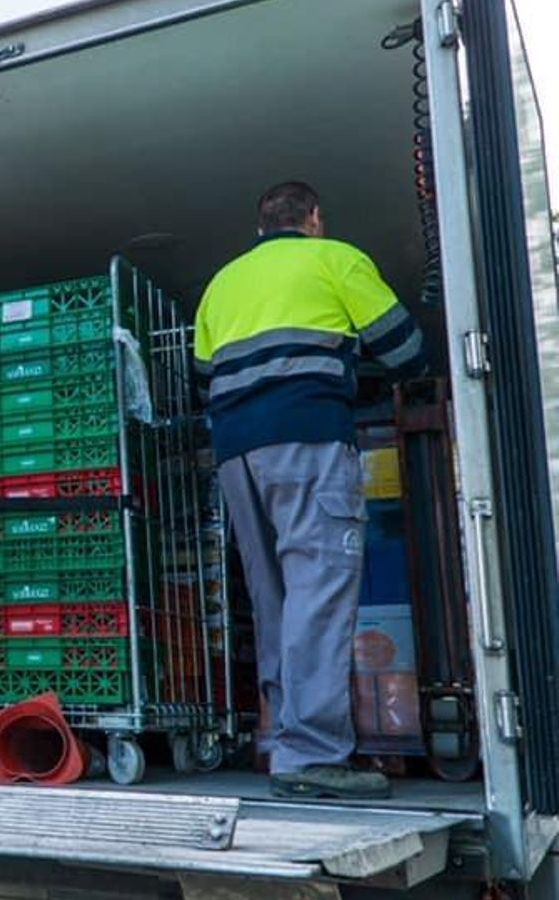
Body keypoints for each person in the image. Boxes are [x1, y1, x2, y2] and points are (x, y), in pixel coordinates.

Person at [193, 181, 428, 800]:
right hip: (307, 441)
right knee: (320, 588)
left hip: (235, 454)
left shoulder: (223, 284)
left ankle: (279, 738)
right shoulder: (336, 259)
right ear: (314, 218)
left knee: (274, 596)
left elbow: (201, 376)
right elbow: (405, 349)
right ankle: (314, 754)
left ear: (262, 225)